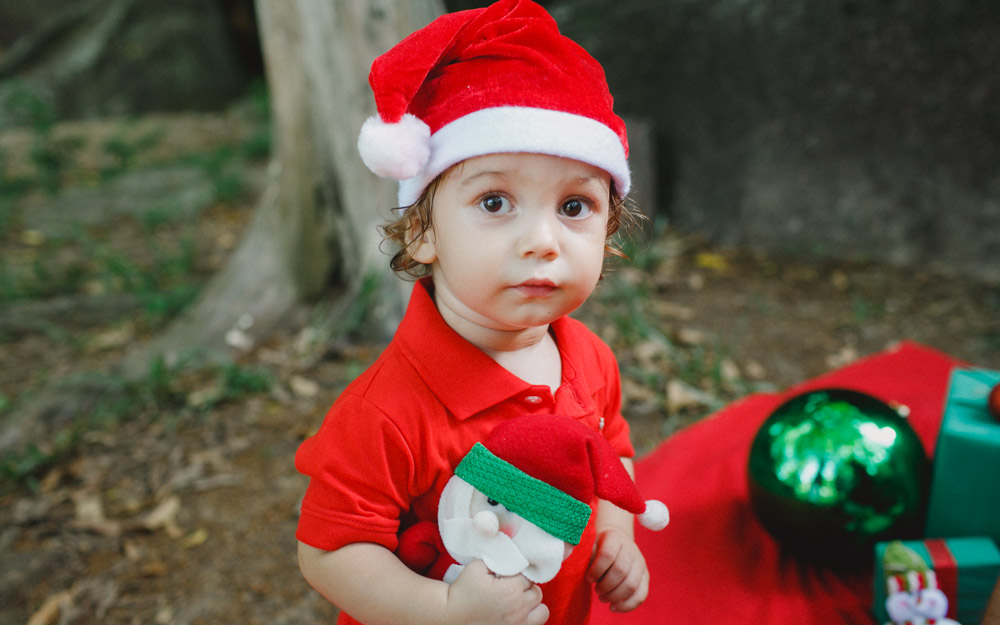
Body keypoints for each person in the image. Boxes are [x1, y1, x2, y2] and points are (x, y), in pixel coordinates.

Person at [294, 1, 649, 623]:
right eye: (494, 201)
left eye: (574, 207)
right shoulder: (387, 411)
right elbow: (330, 551)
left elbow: (610, 454)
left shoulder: (587, 359)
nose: (543, 240)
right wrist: (447, 608)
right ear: (422, 233)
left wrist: (617, 532)